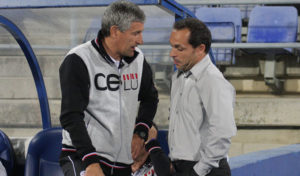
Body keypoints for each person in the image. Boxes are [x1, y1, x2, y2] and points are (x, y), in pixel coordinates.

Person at [58, 1, 159, 176]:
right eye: (136, 33)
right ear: (115, 31)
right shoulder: (79, 59)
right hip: (83, 158)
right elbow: (71, 116)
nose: (140, 40)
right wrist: (90, 161)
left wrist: (140, 132)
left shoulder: (139, 60)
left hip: (122, 163)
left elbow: (150, 98)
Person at [168, 18, 237, 176]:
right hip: (181, 167)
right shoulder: (177, 77)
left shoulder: (213, 80)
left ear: (200, 49)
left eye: (179, 48)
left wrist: (198, 171)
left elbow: (222, 132)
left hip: (205, 170)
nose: (172, 54)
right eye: (172, 47)